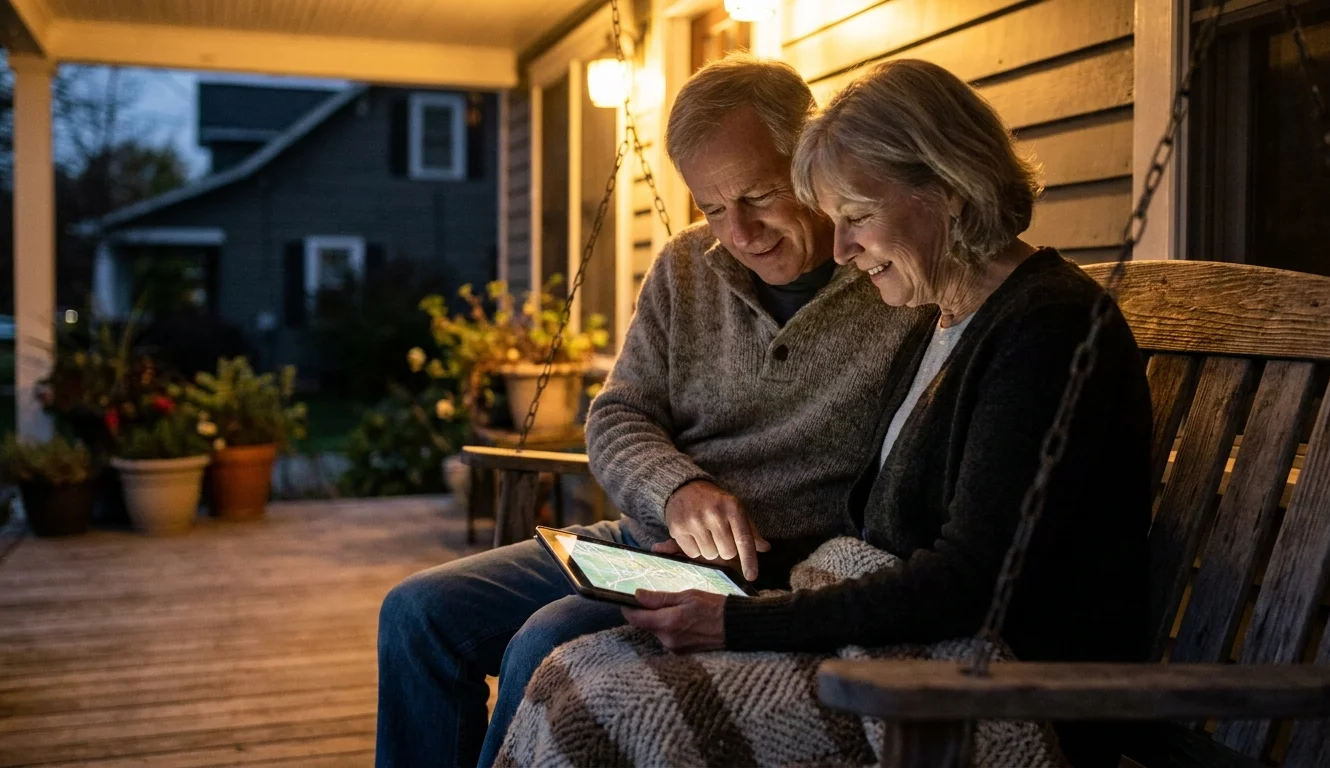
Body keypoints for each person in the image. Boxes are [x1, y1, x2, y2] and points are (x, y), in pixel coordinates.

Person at [374, 54, 928, 768]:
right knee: (416, 614)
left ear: (813, 159)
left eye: (759, 195)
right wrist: (677, 491)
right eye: (711, 208)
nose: (741, 231)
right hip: (641, 544)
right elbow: (618, 414)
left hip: (767, 577)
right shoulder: (683, 267)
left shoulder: (892, 282)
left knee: (543, 641)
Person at [619, 59, 1153, 767]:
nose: (841, 249)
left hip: (1000, 689)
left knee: (632, 715)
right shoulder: (945, 322)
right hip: (916, 649)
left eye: (858, 218)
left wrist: (744, 621)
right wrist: (738, 577)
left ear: (950, 190)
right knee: (588, 675)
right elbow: (885, 539)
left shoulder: (1046, 328)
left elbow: (969, 580)